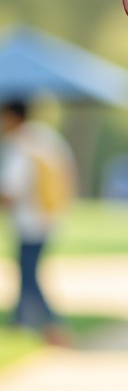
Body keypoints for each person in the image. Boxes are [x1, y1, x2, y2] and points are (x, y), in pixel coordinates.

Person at [0, 99, 76, 344]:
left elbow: (11, 189)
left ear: (12, 117)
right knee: (27, 271)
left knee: (29, 273)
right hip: (50, 215)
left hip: (30, 219)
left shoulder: (20, 145)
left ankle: (54, 325)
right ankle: (21, 321)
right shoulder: (43, 137)